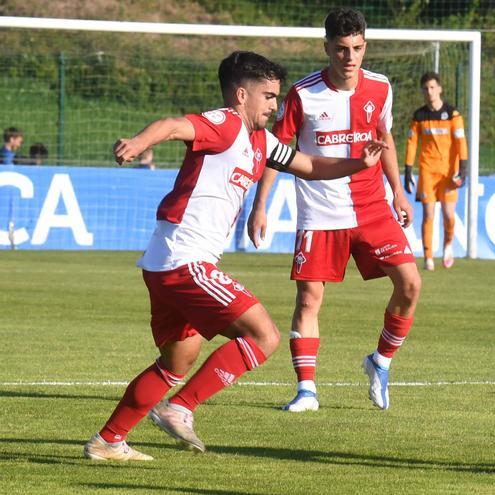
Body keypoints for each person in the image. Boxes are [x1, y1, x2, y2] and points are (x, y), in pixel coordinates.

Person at [83, 50, 388, 462]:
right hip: (183, 259)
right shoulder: (225, 123)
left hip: (168, 262)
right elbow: (176, 125)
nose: (274, 106)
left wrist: (358, 162)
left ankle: (108, 441)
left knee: (176, 361)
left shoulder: (262, 142)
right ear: (241, 95)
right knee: (264, 336)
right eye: (267, 97)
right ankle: (180, 407)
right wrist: (139, 142)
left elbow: (310, 165)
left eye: (277, 98)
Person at [248, 8, 421, 413]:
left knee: (411, 285)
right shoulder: (303, 94)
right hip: (320, 212)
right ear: (327, 47)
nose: (350, 57)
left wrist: (398, 190)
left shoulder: (380, 87)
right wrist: (261, 205)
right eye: (341, 49)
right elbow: (278, 153)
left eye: (357, 48)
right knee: (309, 301)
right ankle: (307, 390)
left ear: (365, 46)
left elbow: (385, 138)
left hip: (372, 207)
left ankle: (380, 362)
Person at [403, 71, 469, 271]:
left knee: (449, 215)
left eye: (432, 87)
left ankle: (448, 245)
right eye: (425, 88)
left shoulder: (452, 115)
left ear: (439, 89)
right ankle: (428, 257)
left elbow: (461, 142)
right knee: (428, 214)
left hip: (449, 172)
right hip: (427, 170)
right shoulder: (419, 116)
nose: (429, 92)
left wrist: (463, 168)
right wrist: (407, 170)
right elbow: (412, 143)